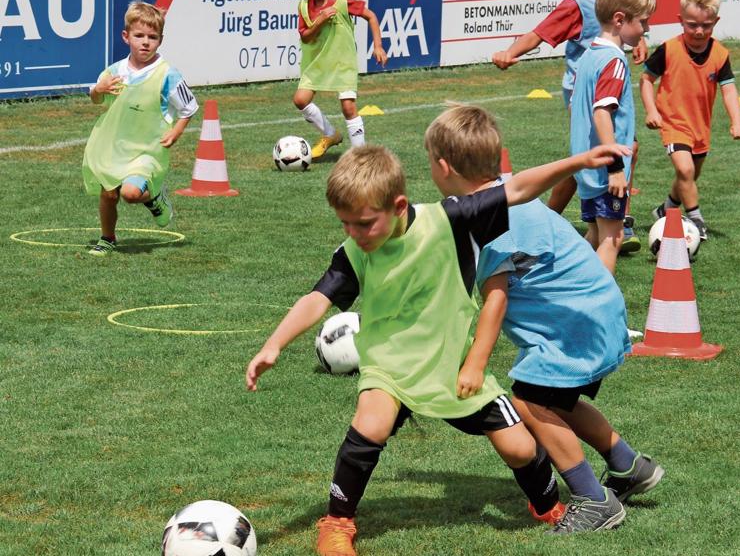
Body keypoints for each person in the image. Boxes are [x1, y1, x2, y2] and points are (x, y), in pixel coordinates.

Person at [245, 107, 629, 556]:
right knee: (370, 424)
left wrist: (580, 162)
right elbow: (319, 297)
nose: (355, 233)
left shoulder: (450, 220)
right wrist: (274, 344)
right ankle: (336, 524)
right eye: (345, 223)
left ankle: (548, 506)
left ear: (399, 207)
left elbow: (518, 188)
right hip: (391, 366)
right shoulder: (356, 251)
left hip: (452, 369)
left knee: (521, 449)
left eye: (364, 223)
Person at [458, 160, 663, 533]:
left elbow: (496, 300)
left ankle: (593, 499)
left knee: (529, 400)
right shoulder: (509, 188)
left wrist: (475, 362)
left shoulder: (489, 221)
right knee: (555, 400)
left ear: (445, 168)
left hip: (576, 323)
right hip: (593, 307)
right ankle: (629, 467)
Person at [492, 0, 645, 252]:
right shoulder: (580, 2)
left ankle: (603, 219)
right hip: (586, 95)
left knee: (596, 158)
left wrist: (639, 42)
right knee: (602, 155)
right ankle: (595, 220)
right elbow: (541, 32)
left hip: (605, 91)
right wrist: (511, 51)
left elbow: (630, 25)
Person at [82, 1, 197, 257]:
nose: (145, 42)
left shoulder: (168, 74)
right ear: (126, 37)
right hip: (113, 146)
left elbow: (189, 107)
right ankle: (107, 238)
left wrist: (176, 131)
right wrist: (97, 91)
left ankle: (155, 198)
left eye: (152, 37)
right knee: (109, 194)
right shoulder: (115, 71)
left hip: (147, 150)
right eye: (139, 36)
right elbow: (97, 97)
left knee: (131, 193)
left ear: (161, 40)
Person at [639, 0, 740, 242]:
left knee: (689, 176)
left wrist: (737, 121)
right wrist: (652, 110)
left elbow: (729, 89)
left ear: (715, 21)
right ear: (680, 20)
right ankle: (696, 221)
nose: (699, 31)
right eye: (692, 25)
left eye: (706, 26)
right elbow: (645, 80)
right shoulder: (669, 49)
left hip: (701, 127)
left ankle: (667, 209)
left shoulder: (720, 54)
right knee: (686, 171)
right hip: (674, 123)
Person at [570, 0, 654, 274]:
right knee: (612, 238)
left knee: (593, 236)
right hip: (605, 169)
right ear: (620, 19)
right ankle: (600, 314)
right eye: (643, 22)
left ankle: (569, 294)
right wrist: (616, 168)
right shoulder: (614, 62)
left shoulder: (589, 55)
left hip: (586, 166)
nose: (646, 29)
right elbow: (602, 113)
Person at [295, 0, 388, 159]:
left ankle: (360, 155)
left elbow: (371, 16)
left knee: (348, 108)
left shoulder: (342, 0)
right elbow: (305, 37)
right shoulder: (303, 6)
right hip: (317, 64)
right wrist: (319, 21)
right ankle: (330, 135)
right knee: (300, 100)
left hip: (342, 63)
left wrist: (378, 46)